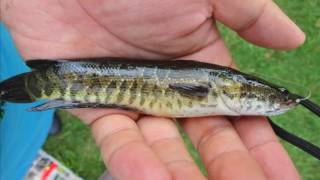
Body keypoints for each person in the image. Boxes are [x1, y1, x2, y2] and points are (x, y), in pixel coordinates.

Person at [1, 0, 305, 179]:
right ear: (239, 92)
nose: (276, 101)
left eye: (274, 97)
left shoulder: (220, 87)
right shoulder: (216, 87)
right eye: (270, 97)